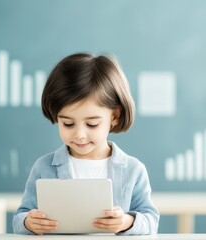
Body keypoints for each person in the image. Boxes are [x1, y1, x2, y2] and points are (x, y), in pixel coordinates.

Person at [12, 53, 159, 235]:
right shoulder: (44, 167)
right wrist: (28, 222)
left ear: (114, 116)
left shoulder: (133, 170)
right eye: (68, 124)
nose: (80, 135)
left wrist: (127, 222)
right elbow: (20, 218)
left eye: (92, 124)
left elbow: (151, 220)